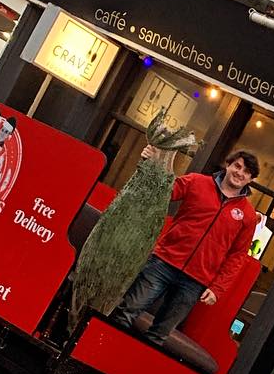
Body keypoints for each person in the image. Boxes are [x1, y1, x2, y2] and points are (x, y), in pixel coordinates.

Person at [112, 149, 262, 348]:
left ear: (251, 179)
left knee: (158, 336)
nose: (240, 173)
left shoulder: (248, 216)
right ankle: (93, 358)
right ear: (228, 165)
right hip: (162, 263)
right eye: (237, 166)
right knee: (126, 312)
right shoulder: (196, 182)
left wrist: (217, 288)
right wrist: (151, 162)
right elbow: (163, 190)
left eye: (247, 172)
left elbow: (237, 256)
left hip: (195, 282)